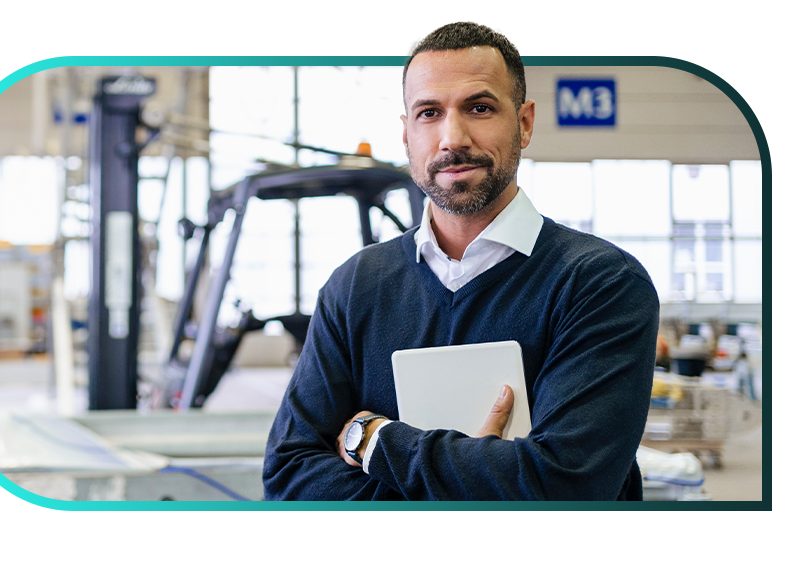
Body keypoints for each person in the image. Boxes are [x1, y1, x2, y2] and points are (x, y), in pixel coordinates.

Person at [262, 22, 659, 501]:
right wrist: (477, 482)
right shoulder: (355, 285)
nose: (453, 137)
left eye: (480, 107)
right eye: (429, 113)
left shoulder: (601, 284)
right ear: (407, 135)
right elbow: (288, 475)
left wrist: (377, 442)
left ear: (525, 122)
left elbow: (566, 486)